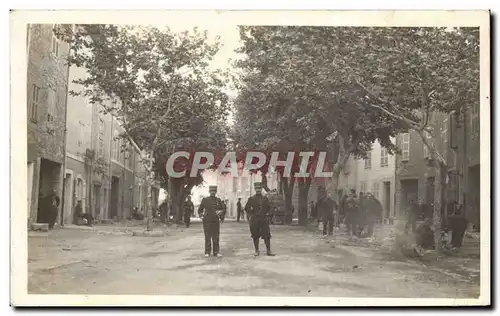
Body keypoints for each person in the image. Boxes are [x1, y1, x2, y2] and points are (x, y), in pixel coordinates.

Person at [245, 182, 275, 256]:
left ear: (261, 189)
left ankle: (268, 251)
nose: (258, 190)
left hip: (264, 219)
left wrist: (268, 214)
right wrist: (251, 213)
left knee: (267, 235)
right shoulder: (251, 199)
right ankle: (257, 250)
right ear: (255, 189)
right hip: (255, 219)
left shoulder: (265, 198)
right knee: (255, 235)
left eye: (259, 188)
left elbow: (269, 207)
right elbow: (246, 208)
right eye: (257, 188)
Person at [197, 186, 224, 257]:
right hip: (207, 221)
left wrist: (220, 212)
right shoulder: (205, 200)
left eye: (214, 191)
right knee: (207, 237)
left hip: (215, 221)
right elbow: (200, 210)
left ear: (216, 192)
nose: (213, 193)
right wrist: (201, 215)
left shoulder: (218, 200)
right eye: (211, 191)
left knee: (216, 237)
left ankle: (216, 252)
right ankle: (207, 252)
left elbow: (223, 209)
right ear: (209, 192)